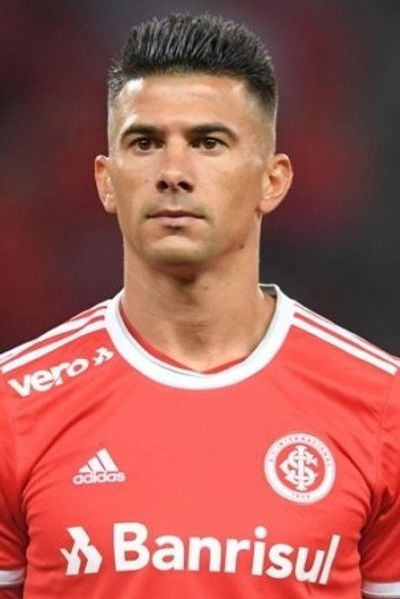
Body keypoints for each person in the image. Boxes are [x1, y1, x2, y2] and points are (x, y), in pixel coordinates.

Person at [0, 12, 399, 599]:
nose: (173, 173)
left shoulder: (382, 406)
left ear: (273, 180)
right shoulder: (14, 406)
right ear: (106, 180)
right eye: (145, 143)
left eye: (208, 142)